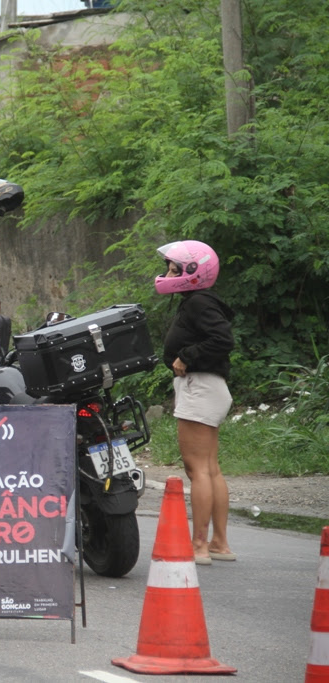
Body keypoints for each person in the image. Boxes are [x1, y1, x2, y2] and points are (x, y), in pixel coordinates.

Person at [156, 239, 236, 565]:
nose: (167, 272)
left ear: (192, 271)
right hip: (207, 387)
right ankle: (218, 543)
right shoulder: (198, 300)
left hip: (199, 386)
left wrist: (186, 356)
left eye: (173, 267)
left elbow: (222, 339)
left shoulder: (199, 302)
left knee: (198, 470)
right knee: (211, 469)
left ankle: (200, 545)